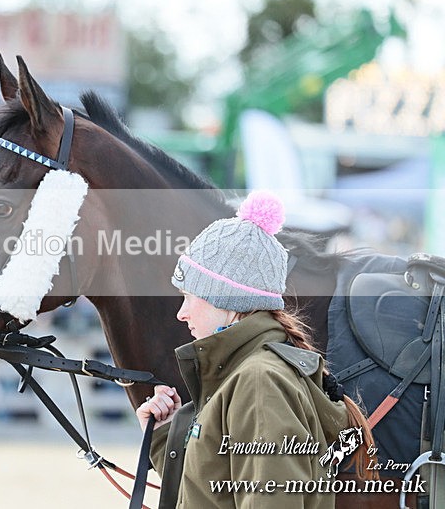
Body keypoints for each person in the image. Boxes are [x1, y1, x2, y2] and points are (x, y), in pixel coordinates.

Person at [136, 191, 376, 508]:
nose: (182, 313)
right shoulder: (242, 374)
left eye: (189, 296)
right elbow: (210, 493)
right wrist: (163, 435)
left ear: (225, 298)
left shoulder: (259, 383)